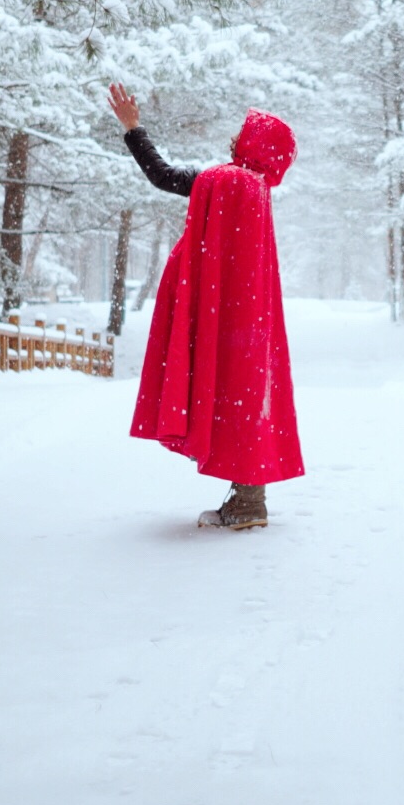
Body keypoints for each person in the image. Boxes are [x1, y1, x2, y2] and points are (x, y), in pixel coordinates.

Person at [107, 83, 304, 529]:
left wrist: (133, 130)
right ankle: (248, 498)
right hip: (245, 318)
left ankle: (248, 504)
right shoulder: (255, 189)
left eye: (244, 134)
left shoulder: (228, 180)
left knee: (227, 393)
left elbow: (162, 176)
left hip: (226, 318)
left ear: (255, 146)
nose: (236, 139)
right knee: (242, 396)